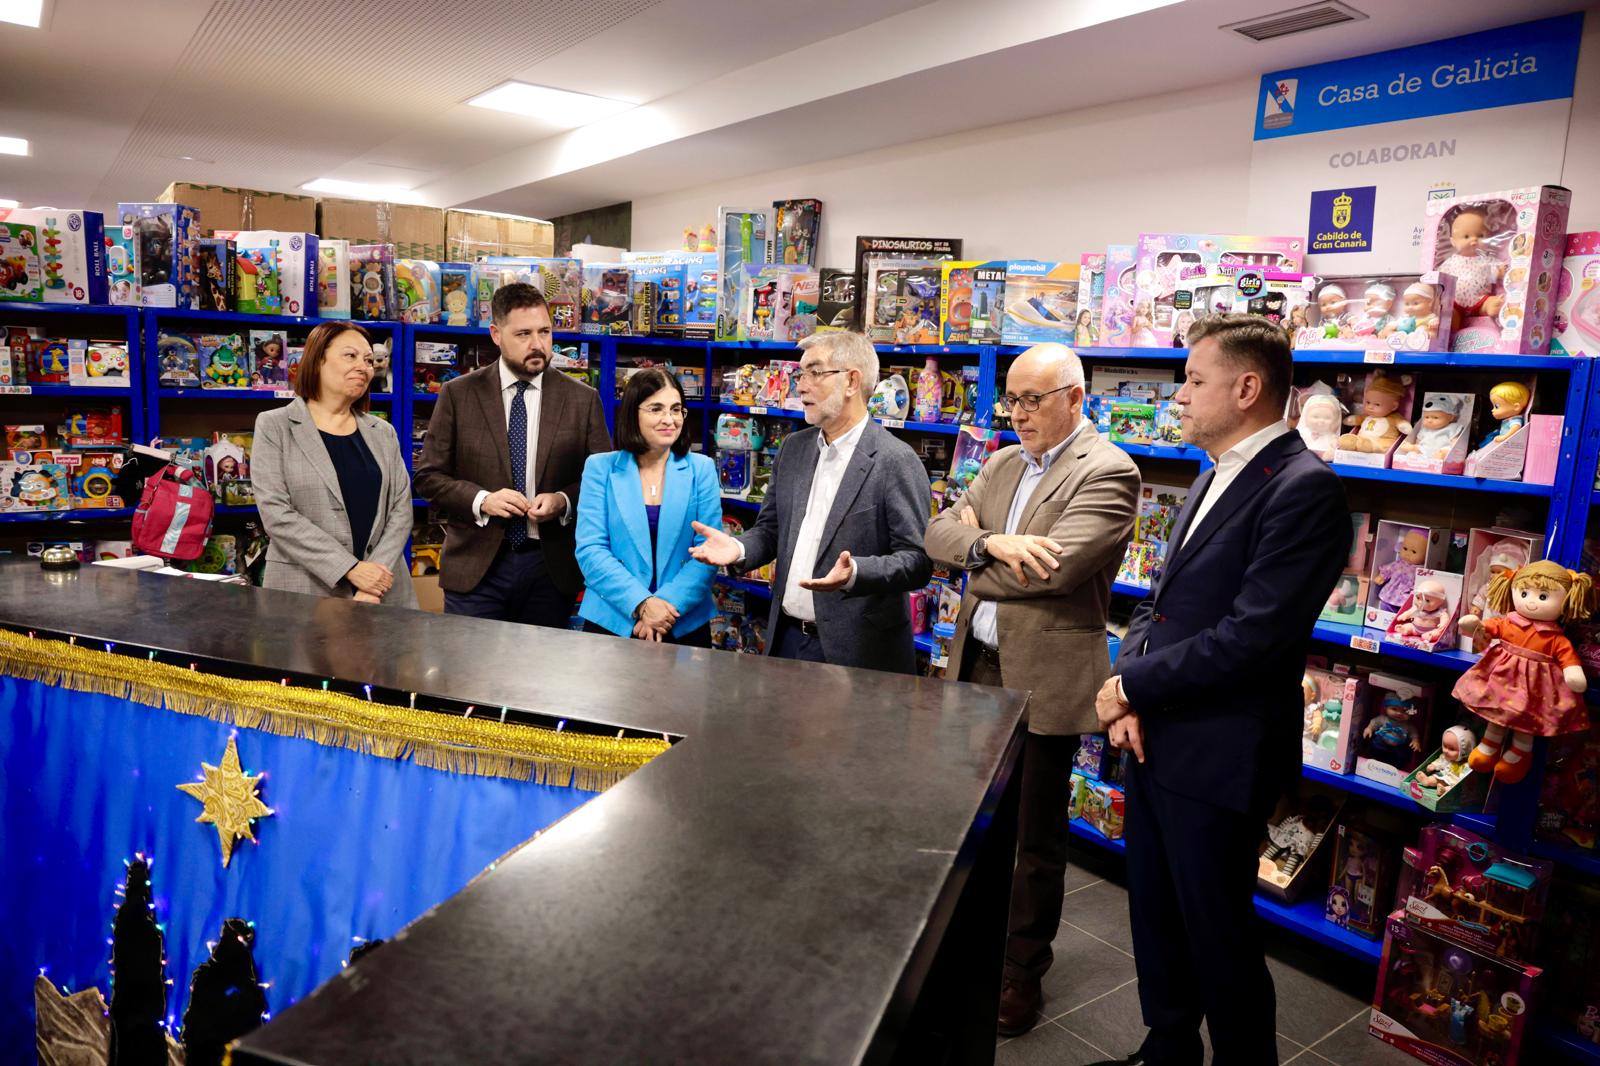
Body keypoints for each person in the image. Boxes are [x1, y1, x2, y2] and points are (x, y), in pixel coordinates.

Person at [1091, 316, 1351, 1066]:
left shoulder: (1304, 489)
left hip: (1221, 750)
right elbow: (1159, 604)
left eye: (1195, 380)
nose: (1179, 395)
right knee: (1158, 915)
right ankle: (1168, 1046)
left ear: (1247, 388)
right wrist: (1129, 689)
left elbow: (1252, 639)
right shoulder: (1213, 472)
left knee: (1218, 933)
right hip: (1158, 730)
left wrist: (1129, 683)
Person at [924, 342, 1139, 1036]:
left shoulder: (1107, 470)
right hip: (974, 666)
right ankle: (965, 946)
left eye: (1032, 399)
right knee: (968, 824)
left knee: (1034, 841)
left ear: (1076, 397)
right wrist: (994, 546)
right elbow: (935, 535)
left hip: (1043, 679)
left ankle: (1021, 975)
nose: (1017, 413)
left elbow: (1054, 572)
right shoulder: (1001, 462)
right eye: (1011, 399)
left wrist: (975, 551)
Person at [688, 331, 932, 671]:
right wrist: (739, 549)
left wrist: (856, 572)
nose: (800, 386)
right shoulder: (793, 448)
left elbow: (917, 561)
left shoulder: (895, 460)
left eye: (814, 373)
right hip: (786, 637)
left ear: (851, 381)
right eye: (799, 374)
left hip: (859, 652)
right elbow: (771, 530)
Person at [413, 283, 611, 626]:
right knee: (469, 677)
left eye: (545, 332)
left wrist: (563, 500)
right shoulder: (458, 394)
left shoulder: (582, 399)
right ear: (496, 334)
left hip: (549, 570)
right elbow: (429, 477)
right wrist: (483, 500)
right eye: (523, 334)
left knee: (539, 678)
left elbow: (604, 481)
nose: (537, 344)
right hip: (476, 569)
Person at [252, 322, 415, 607]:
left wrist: (373, 579)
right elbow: (276, 513)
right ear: (317, 361)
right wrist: (352, 570)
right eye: (350, 356)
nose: (364, 367)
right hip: (305, 590)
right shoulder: (274, 425)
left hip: (382, 591)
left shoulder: (383, 432)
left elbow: (401, 509)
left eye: (368, 360)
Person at [576, 368, 720, 646]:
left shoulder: (701, 469)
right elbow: (591, 550)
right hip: (614, 619)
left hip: (683, 620)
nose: (669, 419)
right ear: (633, 413)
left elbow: (709, 551)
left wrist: (663, 606)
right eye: (656, 409)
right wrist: (641, 604)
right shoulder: (600, 468)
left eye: (676, 409)